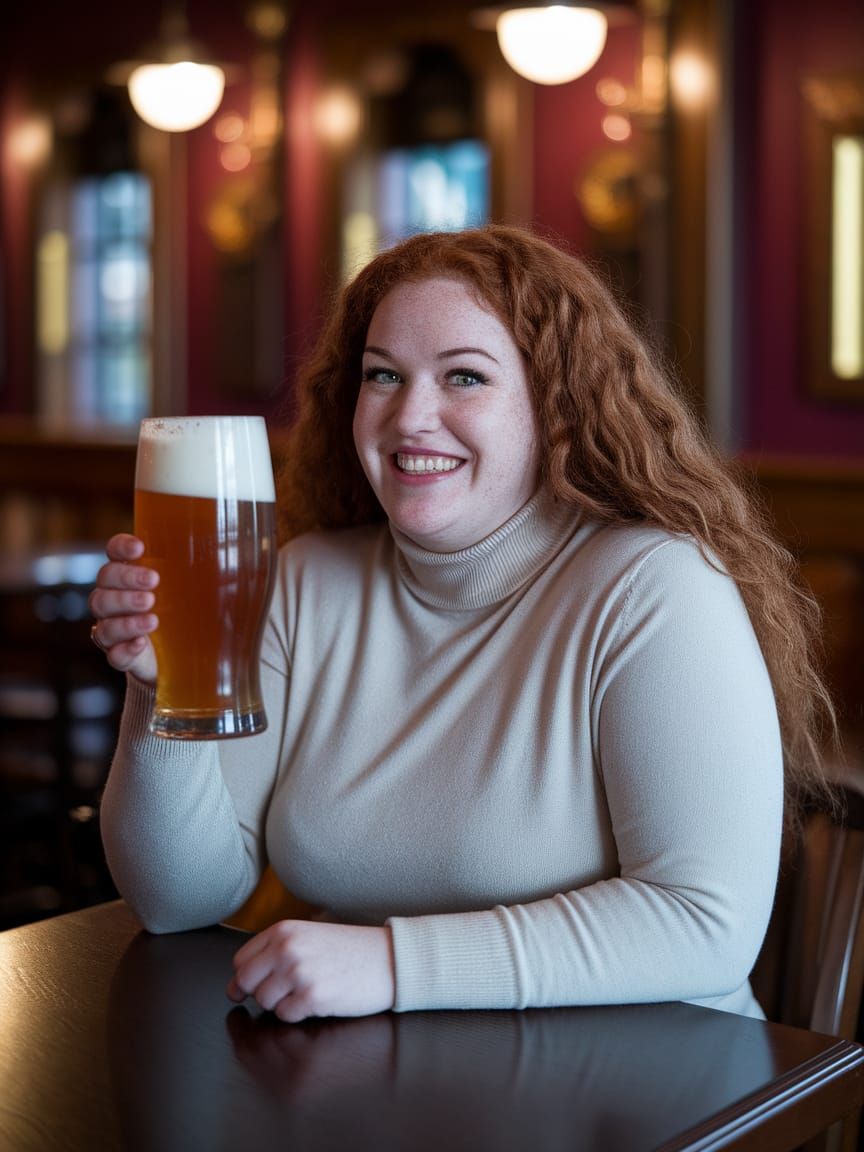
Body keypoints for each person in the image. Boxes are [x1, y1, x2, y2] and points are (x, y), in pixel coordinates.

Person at [90, 224, 837, 1025]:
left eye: (464, 378)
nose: (412, 416)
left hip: (651, 1086)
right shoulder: (304, 582)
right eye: (384, 376)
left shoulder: (655, 587)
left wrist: (392, 963)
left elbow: (704, 924)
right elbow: (180, 900)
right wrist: (157, 695)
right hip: (388, 1082)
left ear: (555, 407)